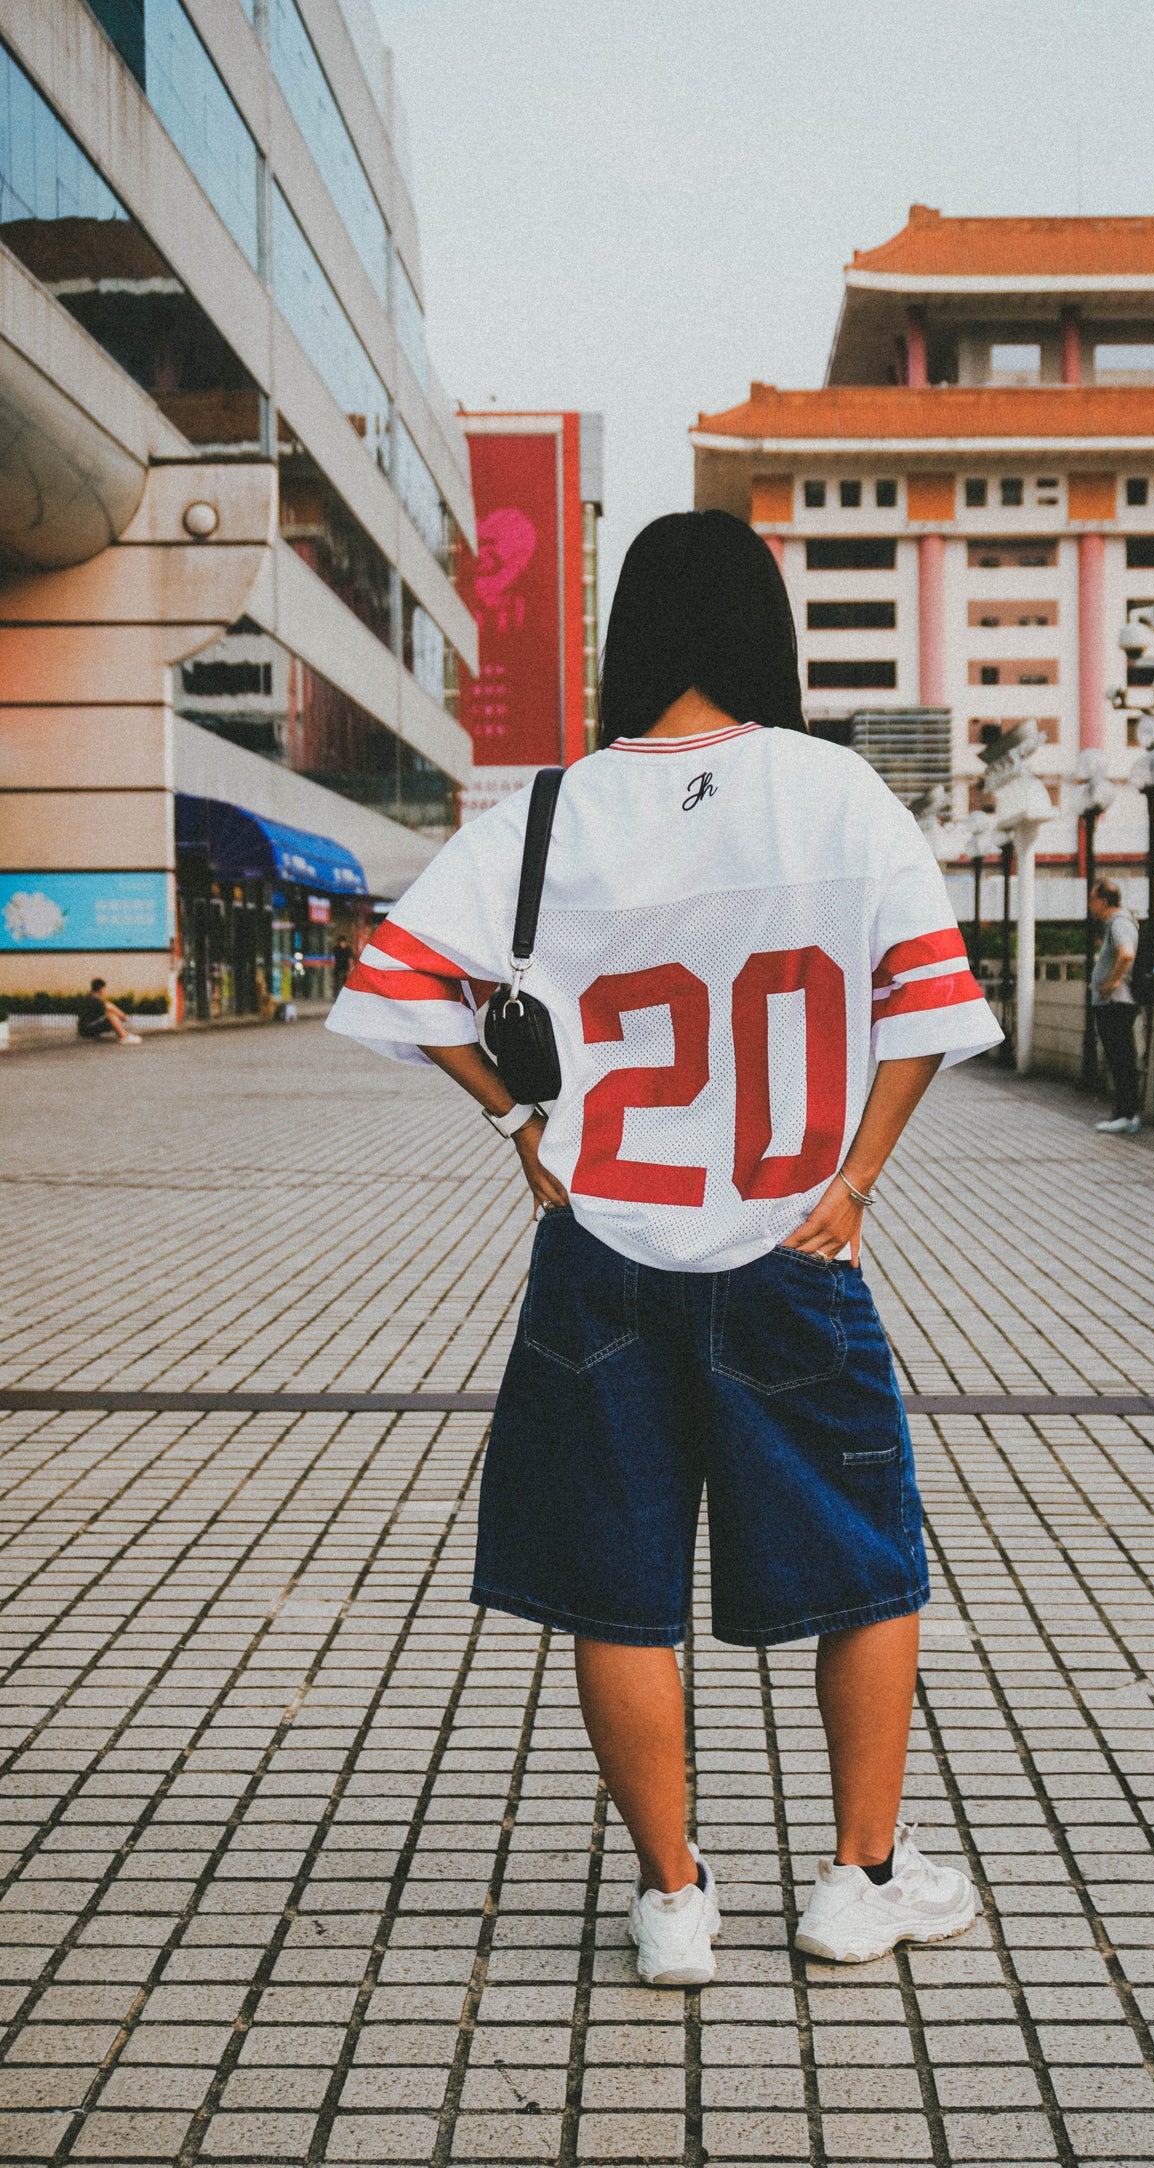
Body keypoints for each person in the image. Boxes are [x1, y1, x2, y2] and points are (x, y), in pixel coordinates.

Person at [327, 510, 1003, 1986]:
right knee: (865, 1565)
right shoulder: (839, 797)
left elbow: (395, 980)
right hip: (792, 1240)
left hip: (602, 1245)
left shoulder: (548, 814)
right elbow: (933, 1010)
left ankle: (677, 1899)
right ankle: (856, 1881)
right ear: (762, 627)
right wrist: (860, 1175)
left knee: (617, 1580)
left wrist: (520, 1122)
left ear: (631, 634)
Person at [1089, 877, 1140, 1133]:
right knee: (1118, 1058)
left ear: (1103, 900)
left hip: (1116, 1003)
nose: (1090, 905)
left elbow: (1127, 953)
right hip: (1112, 1003)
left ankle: (1127, 1113)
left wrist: (1111, 983)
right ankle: (1124, 1112)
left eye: (1092, 899)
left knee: (1121, 1059)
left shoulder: (1119, 923)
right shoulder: (1114, 924)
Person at [75, 978, 142, 1045]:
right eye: (104, 989)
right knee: (110, 1015)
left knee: (110, 1015)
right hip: (87, 1030)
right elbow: (109, 1007)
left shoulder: (88, 997)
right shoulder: (95, 999)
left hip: (84, 1029)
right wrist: (123, 1017)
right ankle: (124, 1037)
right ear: (101, 988)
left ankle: (125, 1034)